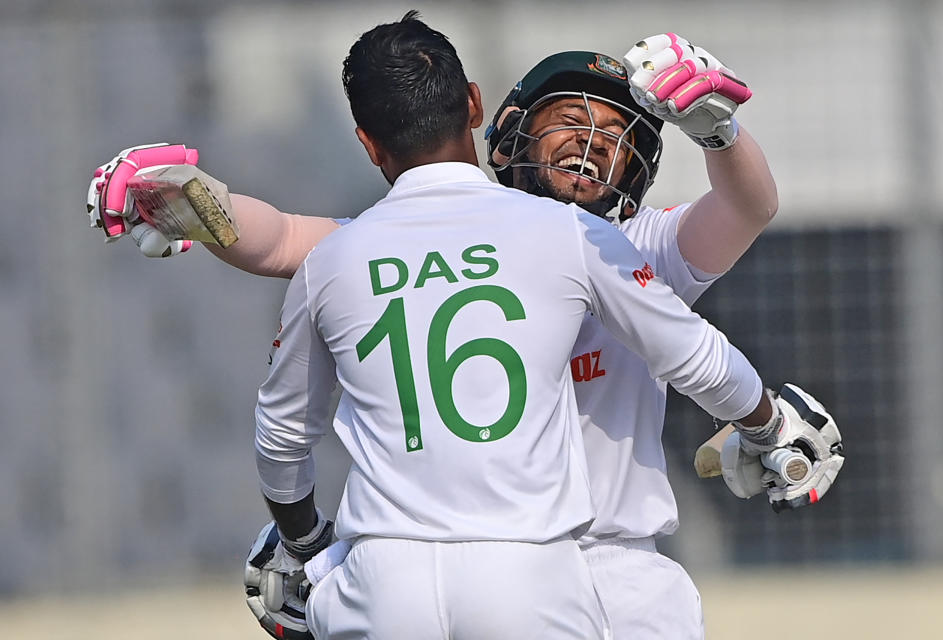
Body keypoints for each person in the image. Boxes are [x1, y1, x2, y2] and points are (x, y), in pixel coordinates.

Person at [87, 18, 845, 640]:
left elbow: (748, 208)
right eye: (569, 120)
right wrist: (195, 202)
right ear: (498, 122)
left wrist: (719, 134)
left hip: (609, 565)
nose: (591, 143)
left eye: (615, 133)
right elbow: (283, 237)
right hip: (525, 569)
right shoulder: (461, 236)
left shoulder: (636, 242)